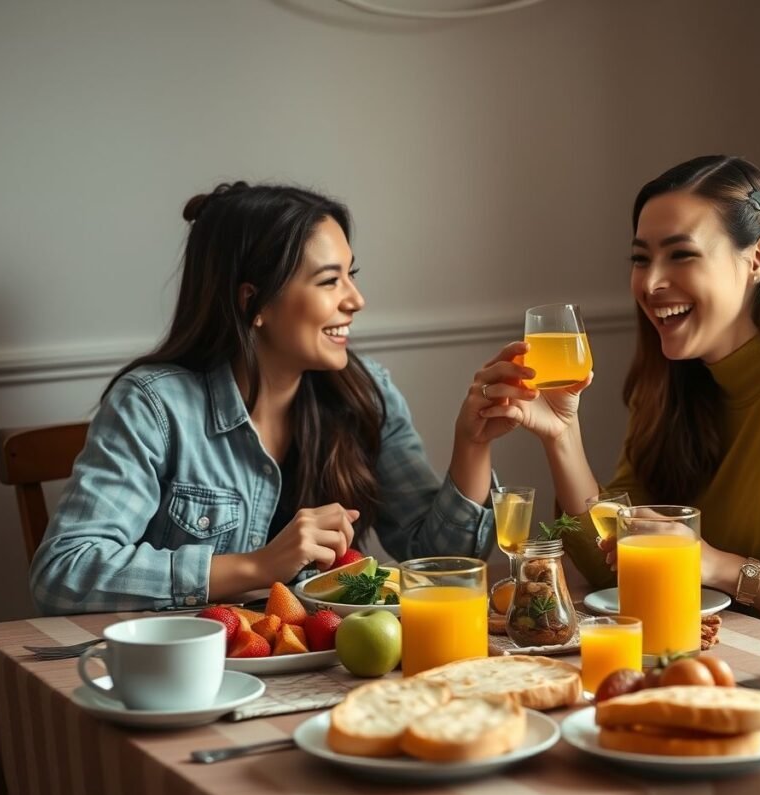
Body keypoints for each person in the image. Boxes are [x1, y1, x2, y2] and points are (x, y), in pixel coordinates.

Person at [477, 155, 760, 649]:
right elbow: (611, 567)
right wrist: (561, 434)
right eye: (640, 258)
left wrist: (713, 564)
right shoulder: (673, 381)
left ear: (758, 259)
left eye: (681, 255)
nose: (650, 284)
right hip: (730, 660)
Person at [31, 182, 509, 613]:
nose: (355, 299)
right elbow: (64, 571)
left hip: (330, 667)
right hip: (197, 671)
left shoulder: (366, 392)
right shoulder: (153, 407)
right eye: (329, 280)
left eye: (351, 274)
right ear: (251, 303)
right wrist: (259, 566)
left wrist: (473, 443)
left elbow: (442, 565)